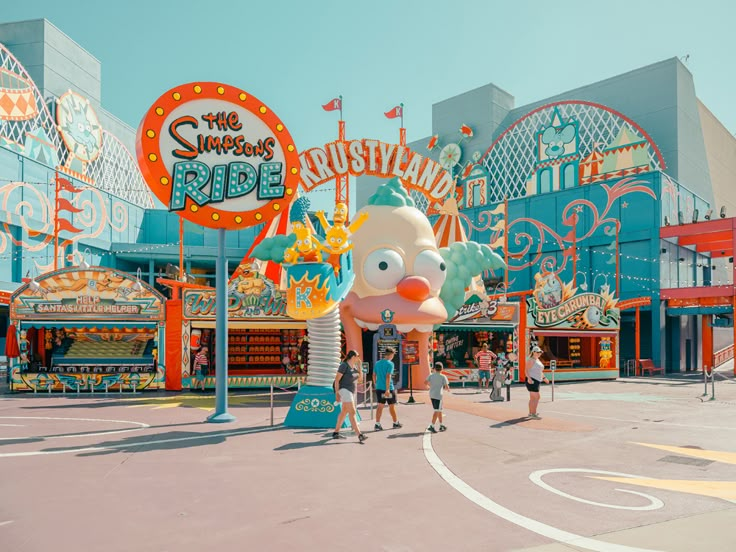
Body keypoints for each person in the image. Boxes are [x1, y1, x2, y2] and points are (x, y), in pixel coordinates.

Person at [333, 350, 367, 442]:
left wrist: (360, 367)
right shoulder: (344, 365)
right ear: (353, 357)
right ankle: (359, 435)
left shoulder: (354, 366)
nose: (358, 358)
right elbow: (336, 380)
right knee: (352, 412)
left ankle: (336, 432)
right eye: (357, 356)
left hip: (351, 391)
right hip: (344, 390)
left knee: (344, 412)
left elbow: (360, 379)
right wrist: (337, 393)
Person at [372, 347, 402, 431]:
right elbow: (388, 376)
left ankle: (377, 424)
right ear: (391, 354)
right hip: (388, 389)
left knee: (380, 406)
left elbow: (374, 375)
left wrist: (376, 384)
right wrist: (388, 389)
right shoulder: (390, 364)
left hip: (379, 388)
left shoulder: (377, 363)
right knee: (391, 406)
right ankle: (395, 423)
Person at [425, 362, 450, 433]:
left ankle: (441, 425)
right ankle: (432, 426)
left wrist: (430, 386)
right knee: (437, 410)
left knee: (439, 410)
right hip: (439, 395)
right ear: (442, 369)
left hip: (432, 394)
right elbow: (446, 386)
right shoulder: (443, 376)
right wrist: (448, 389)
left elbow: (425, 382)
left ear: (434, 369)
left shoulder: (431, 375)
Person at [526, 346, 549, 419]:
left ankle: (531, 413)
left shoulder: (537, 360)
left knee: (533, 398)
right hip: (533, 380)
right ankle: (533, 413)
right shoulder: (531, 360)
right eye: (538, 352)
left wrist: (544, 378)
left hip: (537, 380)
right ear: (533, 352)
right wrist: (529, 379)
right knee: (537, 397)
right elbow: (526, 370)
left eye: (540, 352)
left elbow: (540, 371)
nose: (539, 353)